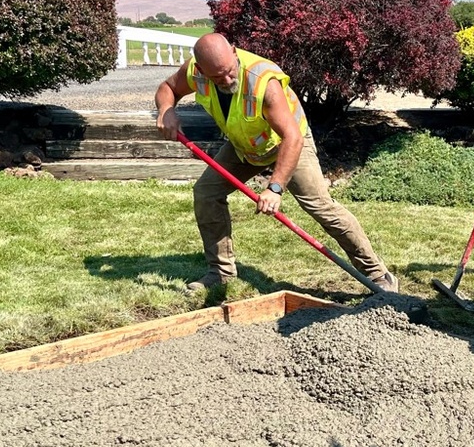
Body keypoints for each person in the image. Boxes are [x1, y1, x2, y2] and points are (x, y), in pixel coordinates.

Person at [155, 32, 398, 293]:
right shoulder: (195, 71)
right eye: (217, 77)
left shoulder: (262, 80)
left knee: (319, 205)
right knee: (206, 192)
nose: (227, 80)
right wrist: (167, 110)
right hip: (245, 145)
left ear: (234, 52)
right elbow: (167, 88)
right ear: (201, 69)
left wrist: (275, 188)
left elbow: (291, 137)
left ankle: (377, 274)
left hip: (286, 143)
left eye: (229, 71)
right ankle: (220, 272)